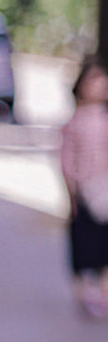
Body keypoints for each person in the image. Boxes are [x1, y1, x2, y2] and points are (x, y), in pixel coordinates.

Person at [60, 56, 108, 318]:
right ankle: (85, 292)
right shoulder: (75, 122)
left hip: (105, 192)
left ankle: (103, 290)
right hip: (86, 193)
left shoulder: (104, 119)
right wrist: (73, 194)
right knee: (85, 243)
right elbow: (67, 162)